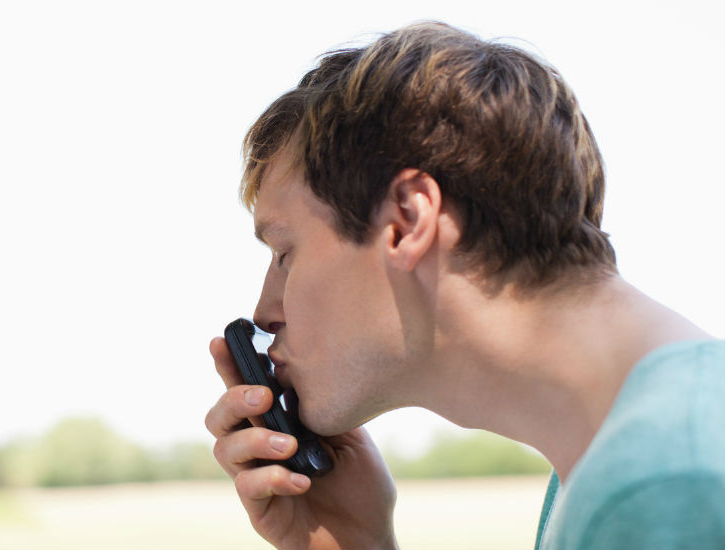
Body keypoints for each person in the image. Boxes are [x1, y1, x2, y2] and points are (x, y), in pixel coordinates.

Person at [204, 21, 724, 550]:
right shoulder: (609, 462)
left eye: (285, 254)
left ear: (407, 220)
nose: (264, 312)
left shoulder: (669, 488)